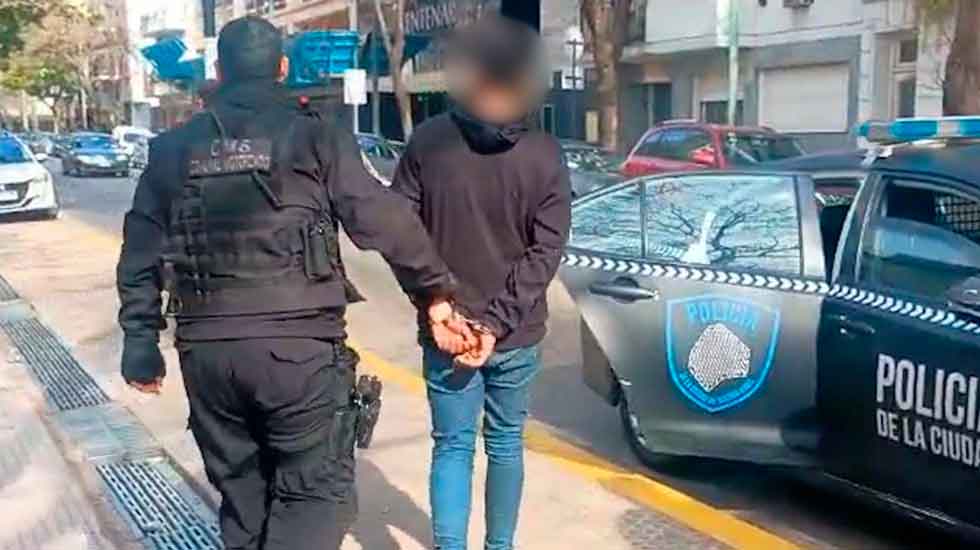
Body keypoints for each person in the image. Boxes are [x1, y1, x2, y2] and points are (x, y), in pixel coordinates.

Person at [116, 16, 467, 550]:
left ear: (219, 71)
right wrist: (434, 293)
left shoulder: (173, 149)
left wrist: (140, 343)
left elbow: (141, 249)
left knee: (243, 505)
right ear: (282, 68)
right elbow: (381, 220)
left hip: (208, 358)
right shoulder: (317, 138)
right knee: (316, 499)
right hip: (298, 357)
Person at [391, 15, 572, 550]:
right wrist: (495, 324)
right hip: (516, 332)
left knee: (452, 446)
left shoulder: (428, 143)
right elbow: (546, 250)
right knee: (506, 444)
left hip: (446, 329)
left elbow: (400, 233)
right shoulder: (544, 153)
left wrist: (434, 302)